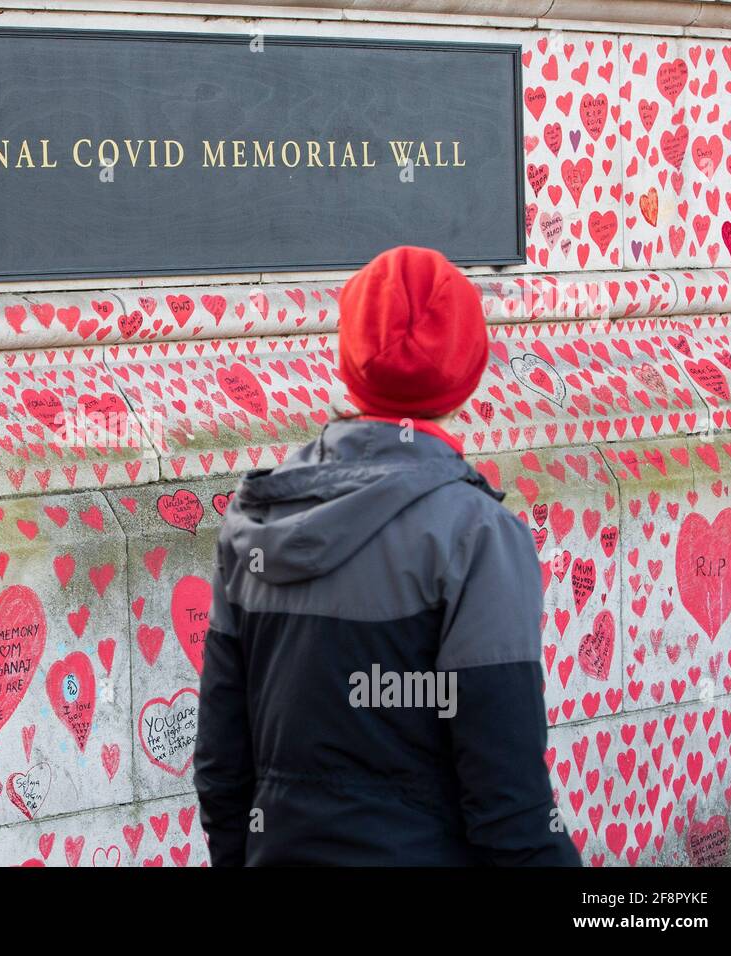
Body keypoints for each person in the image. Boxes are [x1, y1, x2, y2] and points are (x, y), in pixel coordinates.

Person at [194, 245, 581, 866]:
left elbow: (221, 765)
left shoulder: (252, 523)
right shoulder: (477, 538)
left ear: (349, 361)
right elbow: (509, 802)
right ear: (469, 368)